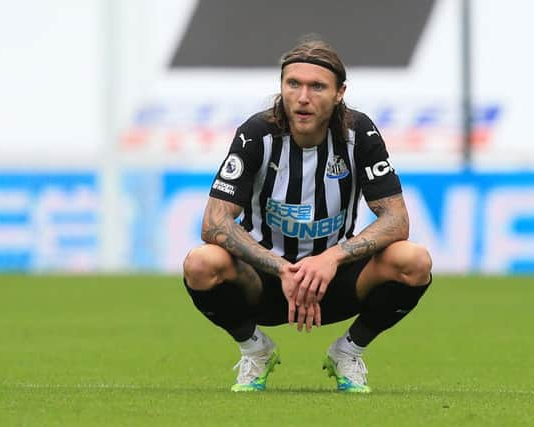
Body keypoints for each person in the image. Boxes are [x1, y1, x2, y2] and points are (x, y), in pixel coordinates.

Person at [182, 37, 432, 393]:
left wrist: (330, 258)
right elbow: (214, 222)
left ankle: (348, 351)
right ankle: (256, 350)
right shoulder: (257, 135)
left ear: (339, 92)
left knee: (414, 260)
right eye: (293, 84)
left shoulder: (359, 135)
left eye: (317, 86)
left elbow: (396, 219)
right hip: (265, 280)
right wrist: (283, 269)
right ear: (281, 87)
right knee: (200, 264)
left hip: (336, 280)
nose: (302, 97)